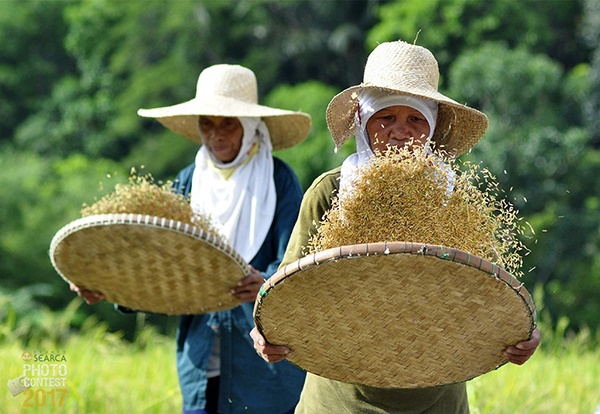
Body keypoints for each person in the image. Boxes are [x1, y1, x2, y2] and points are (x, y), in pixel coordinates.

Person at [249, 40, 541, 413]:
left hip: (437, 398)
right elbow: (286, 291)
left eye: (415, 119)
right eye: (385, 117)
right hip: (339, 400)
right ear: (363, 122)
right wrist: (267, 333)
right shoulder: (331, 193)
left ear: (433, 128)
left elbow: (496, 296)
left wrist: (526, 335)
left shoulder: (455, 200)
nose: (400, 132)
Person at [73, 64, 311, 414]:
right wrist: (110, 286)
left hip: (262, 360)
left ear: (248, 126)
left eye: (228, 123)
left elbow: (296, 260)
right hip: (200, 354)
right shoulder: (187, 182)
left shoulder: (279, 181)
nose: (217, 134)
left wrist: (265, 282)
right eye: (207, 124)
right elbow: (156, 264)